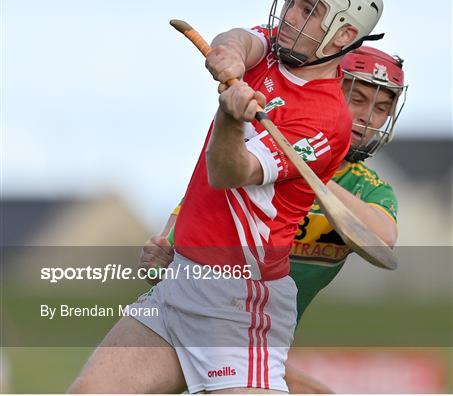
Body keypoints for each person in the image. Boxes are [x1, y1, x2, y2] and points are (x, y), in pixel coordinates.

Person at [69, 0, 384, 394]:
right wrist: (232, 56)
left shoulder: (326, 121)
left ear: (344, 35)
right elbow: (238, 38)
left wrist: (230, 117)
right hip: (179, 287)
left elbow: (227, 172)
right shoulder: (278, 48)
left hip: (237, 307)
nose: (291, 14)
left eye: (308, 7)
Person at [139, 45, 407, 394]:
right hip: (213, 328)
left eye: (381, 108)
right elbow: (163, 263)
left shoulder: (370, 189)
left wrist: (314, 166)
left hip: (263, 341)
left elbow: (382, 239)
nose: (367, 116)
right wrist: (154, 262)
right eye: (356, 98)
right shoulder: (256, 160)